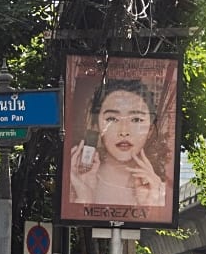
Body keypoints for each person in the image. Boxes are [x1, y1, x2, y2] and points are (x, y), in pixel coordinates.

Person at [69, 78, 168, 206]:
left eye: (136, 119)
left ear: (150, 130)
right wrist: (84, 197)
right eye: (112, 119)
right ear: (97, 125)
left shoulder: (161, 193)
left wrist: (152, 203)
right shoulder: (76, 184)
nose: (124, 131)